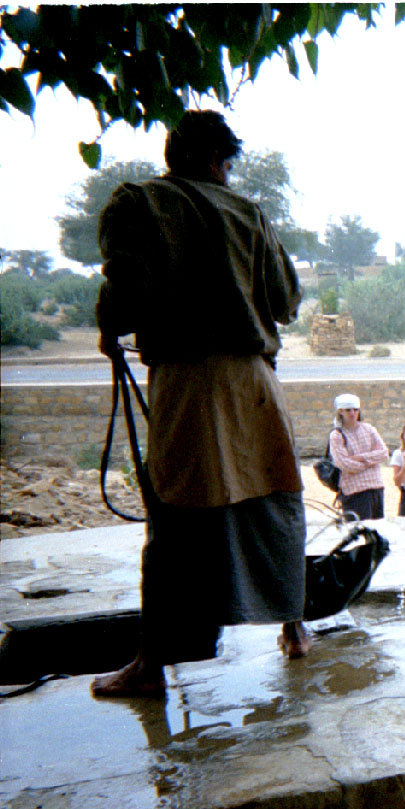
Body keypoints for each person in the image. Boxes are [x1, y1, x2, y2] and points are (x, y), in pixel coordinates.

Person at [90, 110, 310, 697]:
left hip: (187, 384)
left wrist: (110, 330)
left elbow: (122, 288)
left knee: (176, 521)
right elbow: (285, 301)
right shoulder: (249, 214)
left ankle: (150, 665)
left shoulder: (136, 203)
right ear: (219, 161)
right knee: (275, 506)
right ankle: (295, 629)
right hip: (254, 384)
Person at [329, 393, 388, 520]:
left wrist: (360, 458)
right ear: (341, 412)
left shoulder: (369, 429)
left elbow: (383, 453)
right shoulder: (337, 435)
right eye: (348, 410)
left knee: (377, 532)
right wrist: (370, 462)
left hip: (376, 487)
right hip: (354, 491)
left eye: (355, 410)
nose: (352, 413)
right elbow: (344, 464)